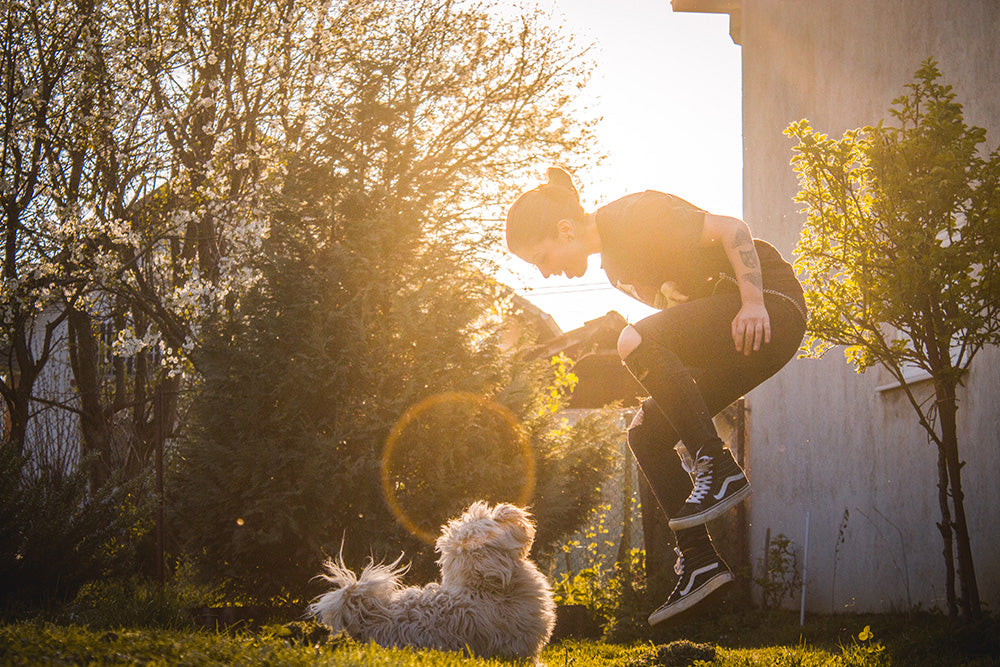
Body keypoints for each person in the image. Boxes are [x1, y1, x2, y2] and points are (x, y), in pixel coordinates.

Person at [505, 167, 806, 625]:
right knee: (646, 432)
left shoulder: (635, 215)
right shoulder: (615, 270)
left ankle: (716, 465)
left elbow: (733, 230)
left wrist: (753, 301)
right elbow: (685, 332)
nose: (546, 272)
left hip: (771, 309)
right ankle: (700, 560)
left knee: (632, 340)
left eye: (542, 258)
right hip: (735, 342)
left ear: (564, 229)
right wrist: (685, 408)